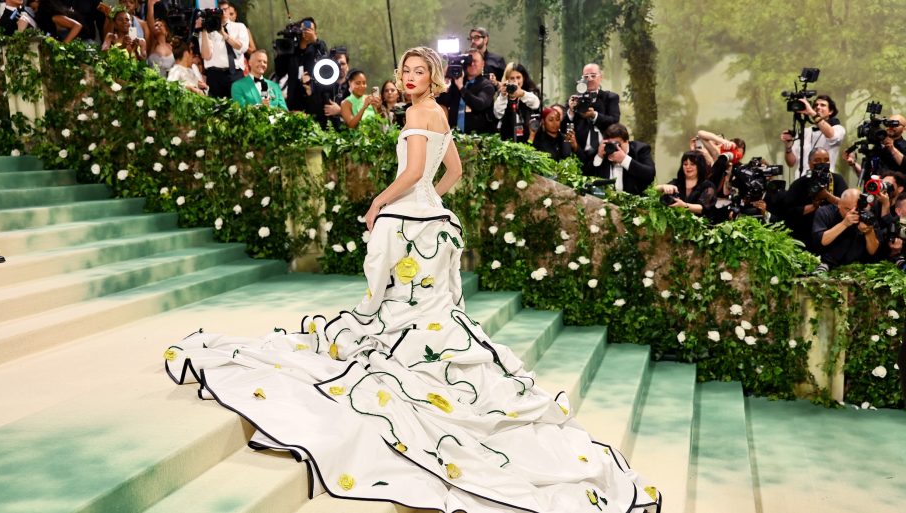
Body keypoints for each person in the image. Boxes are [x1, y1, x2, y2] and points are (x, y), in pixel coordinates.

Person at [163, 45, 660, 513]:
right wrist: (431, 203)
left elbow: (416, 170)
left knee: (404, 309)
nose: (408, 77)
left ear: (433, 78)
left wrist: (381, 202)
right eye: (405, 70)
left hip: (412, 223)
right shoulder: (438, 114)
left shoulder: (419, 114)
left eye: (418, 71)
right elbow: (453, 172)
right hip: (433, 225)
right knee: (429, 309)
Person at [783, 148, 848, 252]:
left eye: (826, 160)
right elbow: (788, 211)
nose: (822, 163)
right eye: (817, 160)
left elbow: (847, 205)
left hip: (832, 233)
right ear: (809, 163)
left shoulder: (837, 180)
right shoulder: (800, 183)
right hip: (804, 234)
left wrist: (828, 196)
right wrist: (814, 206)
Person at [566, 63, 620, 175]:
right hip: (579, 152)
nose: (589, 79)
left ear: (600, 77)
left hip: (605, 153)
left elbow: (615, 121)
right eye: (586, 76)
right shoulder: (575, 99)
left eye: (593, 75)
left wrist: (594, 115)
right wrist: (571, 111)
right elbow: (564, 127)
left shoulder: (610, 98)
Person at [812, 188, 881, 273]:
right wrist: (844, 223)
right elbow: (822, 240)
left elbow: (872, 251)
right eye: (847, 209)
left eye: (856, 209)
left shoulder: (867, 216)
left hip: (856, 267)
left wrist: (869, 232)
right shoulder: (825, 212)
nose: (852, 212)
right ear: (839, 204)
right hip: (827, 264)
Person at [781, 94, 845, 178]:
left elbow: (832, 136)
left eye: (823, 105)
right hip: (801, 180)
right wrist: (788, 147)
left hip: (824, 180)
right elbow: (791, 163)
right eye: (816, 105)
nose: (818, 107)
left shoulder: (838, 129)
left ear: (830, 111)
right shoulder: (804, 131)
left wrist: (812, 113)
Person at [436, 48, 495, 135]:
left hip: (478, 137)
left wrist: (461, 88)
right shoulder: (455, 83)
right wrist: (445, 81)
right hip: (454, 135)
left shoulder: (487, 85)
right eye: (468, 61)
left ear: (483, 64)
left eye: (475, 61)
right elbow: (441, 102)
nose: (472, 64)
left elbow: (480, 104)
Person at [198, 0, 248, 98]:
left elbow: (242, 47)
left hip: (235, 74)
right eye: (220, 11)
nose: (223, 13)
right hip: (214, 75)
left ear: (229, 9)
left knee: (239, 105)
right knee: (216, 106)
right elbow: (206, 55)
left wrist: (222, 33)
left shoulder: (239, 27)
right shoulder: (208, 30)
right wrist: (204, 29)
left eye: (225, 9)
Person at [588, 123, 655, 195]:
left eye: (617, 144)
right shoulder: (603, 150)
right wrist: (599, 157)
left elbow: (650, 174)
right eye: (610, 144)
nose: (614, 148)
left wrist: (624, 160)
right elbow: (587, 174)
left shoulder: (640, 149)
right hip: (604, 198)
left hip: (632, 198)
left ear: (626, 142)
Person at [656, 150, 716, 218]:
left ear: (700, 166)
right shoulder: (677, 182)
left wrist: (684, 206)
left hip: (698, 222)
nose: (688, 167)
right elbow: (652, 190)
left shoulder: (708, 185)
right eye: (685, 164)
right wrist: (663, 186)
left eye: (692, 164)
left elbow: (703, 208)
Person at [492, 62, 540, 142]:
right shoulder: (503, 93)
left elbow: (536, 104)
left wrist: (522, 94)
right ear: (507, 79)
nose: (515, 81)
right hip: (507, 138)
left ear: (523, 77)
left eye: (518, 77)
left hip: (528, 137)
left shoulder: (530, 91)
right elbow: (498, 114)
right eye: (512, 78)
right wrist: (503, 96)